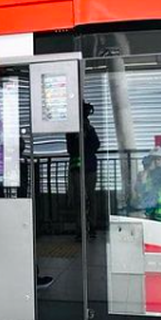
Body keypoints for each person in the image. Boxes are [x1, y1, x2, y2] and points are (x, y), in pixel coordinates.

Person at [66, 101, 101, 239]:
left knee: (90, 198)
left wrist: (88, 132)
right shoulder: (71, 131)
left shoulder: (90, 129)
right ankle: (80, 229)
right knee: (80, 198)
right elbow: (71, 149)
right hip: (79, 167)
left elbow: (96, 145)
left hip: (88, 167)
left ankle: (91, 227)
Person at [134, 146, 161, 223]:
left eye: (158, 159)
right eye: (153, 159)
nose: (155, 161)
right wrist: (148, 168)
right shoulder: (144, 174)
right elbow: (140, 189)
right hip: (150, 213)